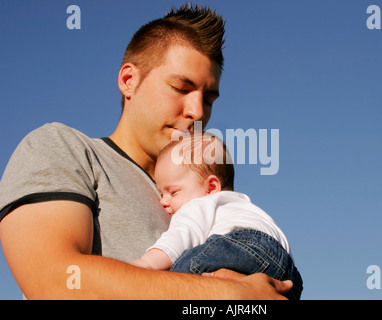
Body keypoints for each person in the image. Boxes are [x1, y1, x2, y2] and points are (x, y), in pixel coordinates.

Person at [0, 4, 293, 299]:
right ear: (129, 81)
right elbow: (55, 282)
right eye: (181, 88)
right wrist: (223, 294)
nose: (197, 111)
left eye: (208, 99)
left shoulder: (201, 192)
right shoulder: (66, 148)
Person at [132, 132, 303, 300]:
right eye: (161, 194)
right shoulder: (241, 204)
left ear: (211, 187)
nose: (163, 201)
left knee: (177, 279)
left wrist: (146, 265)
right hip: (287, 273)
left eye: (173, 192)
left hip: (240, 246)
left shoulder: (200, 203)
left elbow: (180, 235)